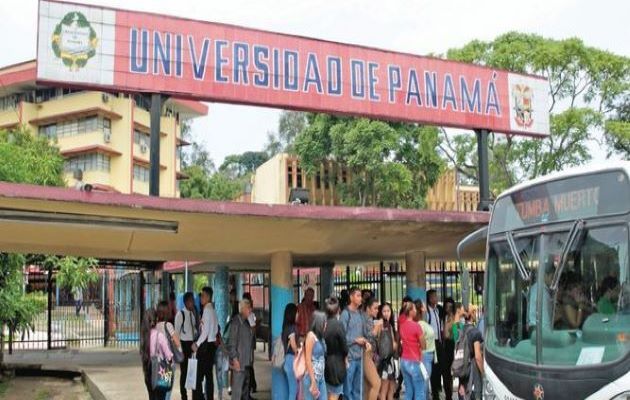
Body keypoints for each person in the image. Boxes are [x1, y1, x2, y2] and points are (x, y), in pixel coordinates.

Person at [341, 287, 370, 400]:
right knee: (348, 392)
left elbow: (362, 334)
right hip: (349, 359)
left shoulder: (360, 314)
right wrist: (355, 340)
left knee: (358, 391)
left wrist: (365, 342)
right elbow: (341, 337)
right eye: (358, 295)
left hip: (360, 357)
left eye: (360, 296)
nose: (360, 298)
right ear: (351, 297)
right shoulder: (345, 314)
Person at [141, 309, 174, 400]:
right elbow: (168, 354)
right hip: (159, 371)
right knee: (160, 396)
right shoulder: (159, 336)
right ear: (156, 320)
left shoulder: (144, 336)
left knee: (151, 396)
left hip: (147, 370)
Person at [192, 287, 219, 400]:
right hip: (211, 346)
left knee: (198, 377)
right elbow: (216, 329)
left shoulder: (207, 310)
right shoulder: (212, 309)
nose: (200, 298)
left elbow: (205, 331)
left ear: (207, 297)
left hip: (205, 347)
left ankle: (198, 398)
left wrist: (197, 344)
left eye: (202, 296)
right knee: (208, 376)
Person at [226, 299, 255, 400]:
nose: (250, 310)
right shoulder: (236, 322)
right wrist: (235, 359)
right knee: (237, 392)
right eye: (248, 308)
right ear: (242, 309)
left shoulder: (246, 322)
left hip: (246, 362)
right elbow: (232, 344)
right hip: (239, 362)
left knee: (245, 391)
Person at [399, 301, 426, 400]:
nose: (416, 311)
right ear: (410, 312)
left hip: (404, 361)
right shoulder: (416, 326)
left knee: (409, 391)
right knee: (419, 391)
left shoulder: (402, 325)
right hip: (414, 361)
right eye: (414, 309)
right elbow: (423, 345)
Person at [156, 301, 182, 400]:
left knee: (161, 389)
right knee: (167, 391)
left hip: (158, 363)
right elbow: (177, 343)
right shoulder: (168, 325)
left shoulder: (155, 326)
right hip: (168, 364)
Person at [426, 290, 448, 400]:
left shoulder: (437, 310)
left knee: (441, 368)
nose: (437, 297)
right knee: (434, 370)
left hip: (439, 343)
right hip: (432, 343)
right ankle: (435, 394)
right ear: (430, 299)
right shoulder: (427, 312)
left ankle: (439, 389)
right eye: (434, 296)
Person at [324, 297, 348, 400]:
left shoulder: (322, 325)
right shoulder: (338, 325)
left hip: (325, 362)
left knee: (328, 392)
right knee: (335, 393)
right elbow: (345, 347)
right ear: (338, 310)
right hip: (337, 364)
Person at [175, 292, 198, 400]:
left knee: (192, 370)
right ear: (186, 302)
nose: (193, 303)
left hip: (191, 345)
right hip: (183, 345)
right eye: (191, 301)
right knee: (184, 372)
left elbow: (193, 329)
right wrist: (180, 350)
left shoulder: (193, 314)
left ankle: (193, 393)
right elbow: (176, 333)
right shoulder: (180, 314)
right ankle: (183, 396)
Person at [457, 307, 483, 400]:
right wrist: (484, 373)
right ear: (472, 315)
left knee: (463, 395)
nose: (476, 314)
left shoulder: (459, 330)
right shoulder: (475, 333)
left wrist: (460, 313)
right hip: (472, 370)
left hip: (461, 368)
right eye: (475, 311)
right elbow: (477, 357)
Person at [304, 311, 328, 400]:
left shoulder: (320, 337)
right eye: (324, 322)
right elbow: (308, 359)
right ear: (319, 323)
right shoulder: (311, 336)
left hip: (321, 377)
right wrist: (313, 380)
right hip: (312, 377)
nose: (326, 325)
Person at [377, 303, 398, 400]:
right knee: (384, 390)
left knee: (391, 389)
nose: (386, 313)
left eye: (388, 311)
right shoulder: (380, 325)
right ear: (380, 313)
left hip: (393, 360)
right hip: (384, 362)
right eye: (384, 311)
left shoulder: (392, 324)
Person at [415, 300, 435, 399]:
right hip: (424, 356)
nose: (425, 307)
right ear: (421, 309)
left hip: (428, 356)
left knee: (425, 385)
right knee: (424, 385)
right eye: (423, 306)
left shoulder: (423, 323)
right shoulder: (419, 324)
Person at [362, 297, 381, 400]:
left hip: (370, 354)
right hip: (365, 354)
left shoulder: (369, 319)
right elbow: (368, 337)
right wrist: (376, 329)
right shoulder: (365, 319)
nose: (377, 310)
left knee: (368, 386)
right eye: (375, 308)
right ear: (368, 308)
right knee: (376, 383)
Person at [281, 303, 299, 400]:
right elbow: (293, 345)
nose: (298, 315)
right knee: (293, 389)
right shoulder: (292, 328)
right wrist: (299, 353)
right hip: (291, 360)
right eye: (297, 313)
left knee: (292, 388)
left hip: (287, 360)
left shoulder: (285, 327)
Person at [243, 293, 257, 396]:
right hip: (245, 345)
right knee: (247, 366)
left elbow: (253, 329)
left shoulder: (250, 314)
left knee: (248, 366)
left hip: (247, 345)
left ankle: (250, 387)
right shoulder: (244, 315)